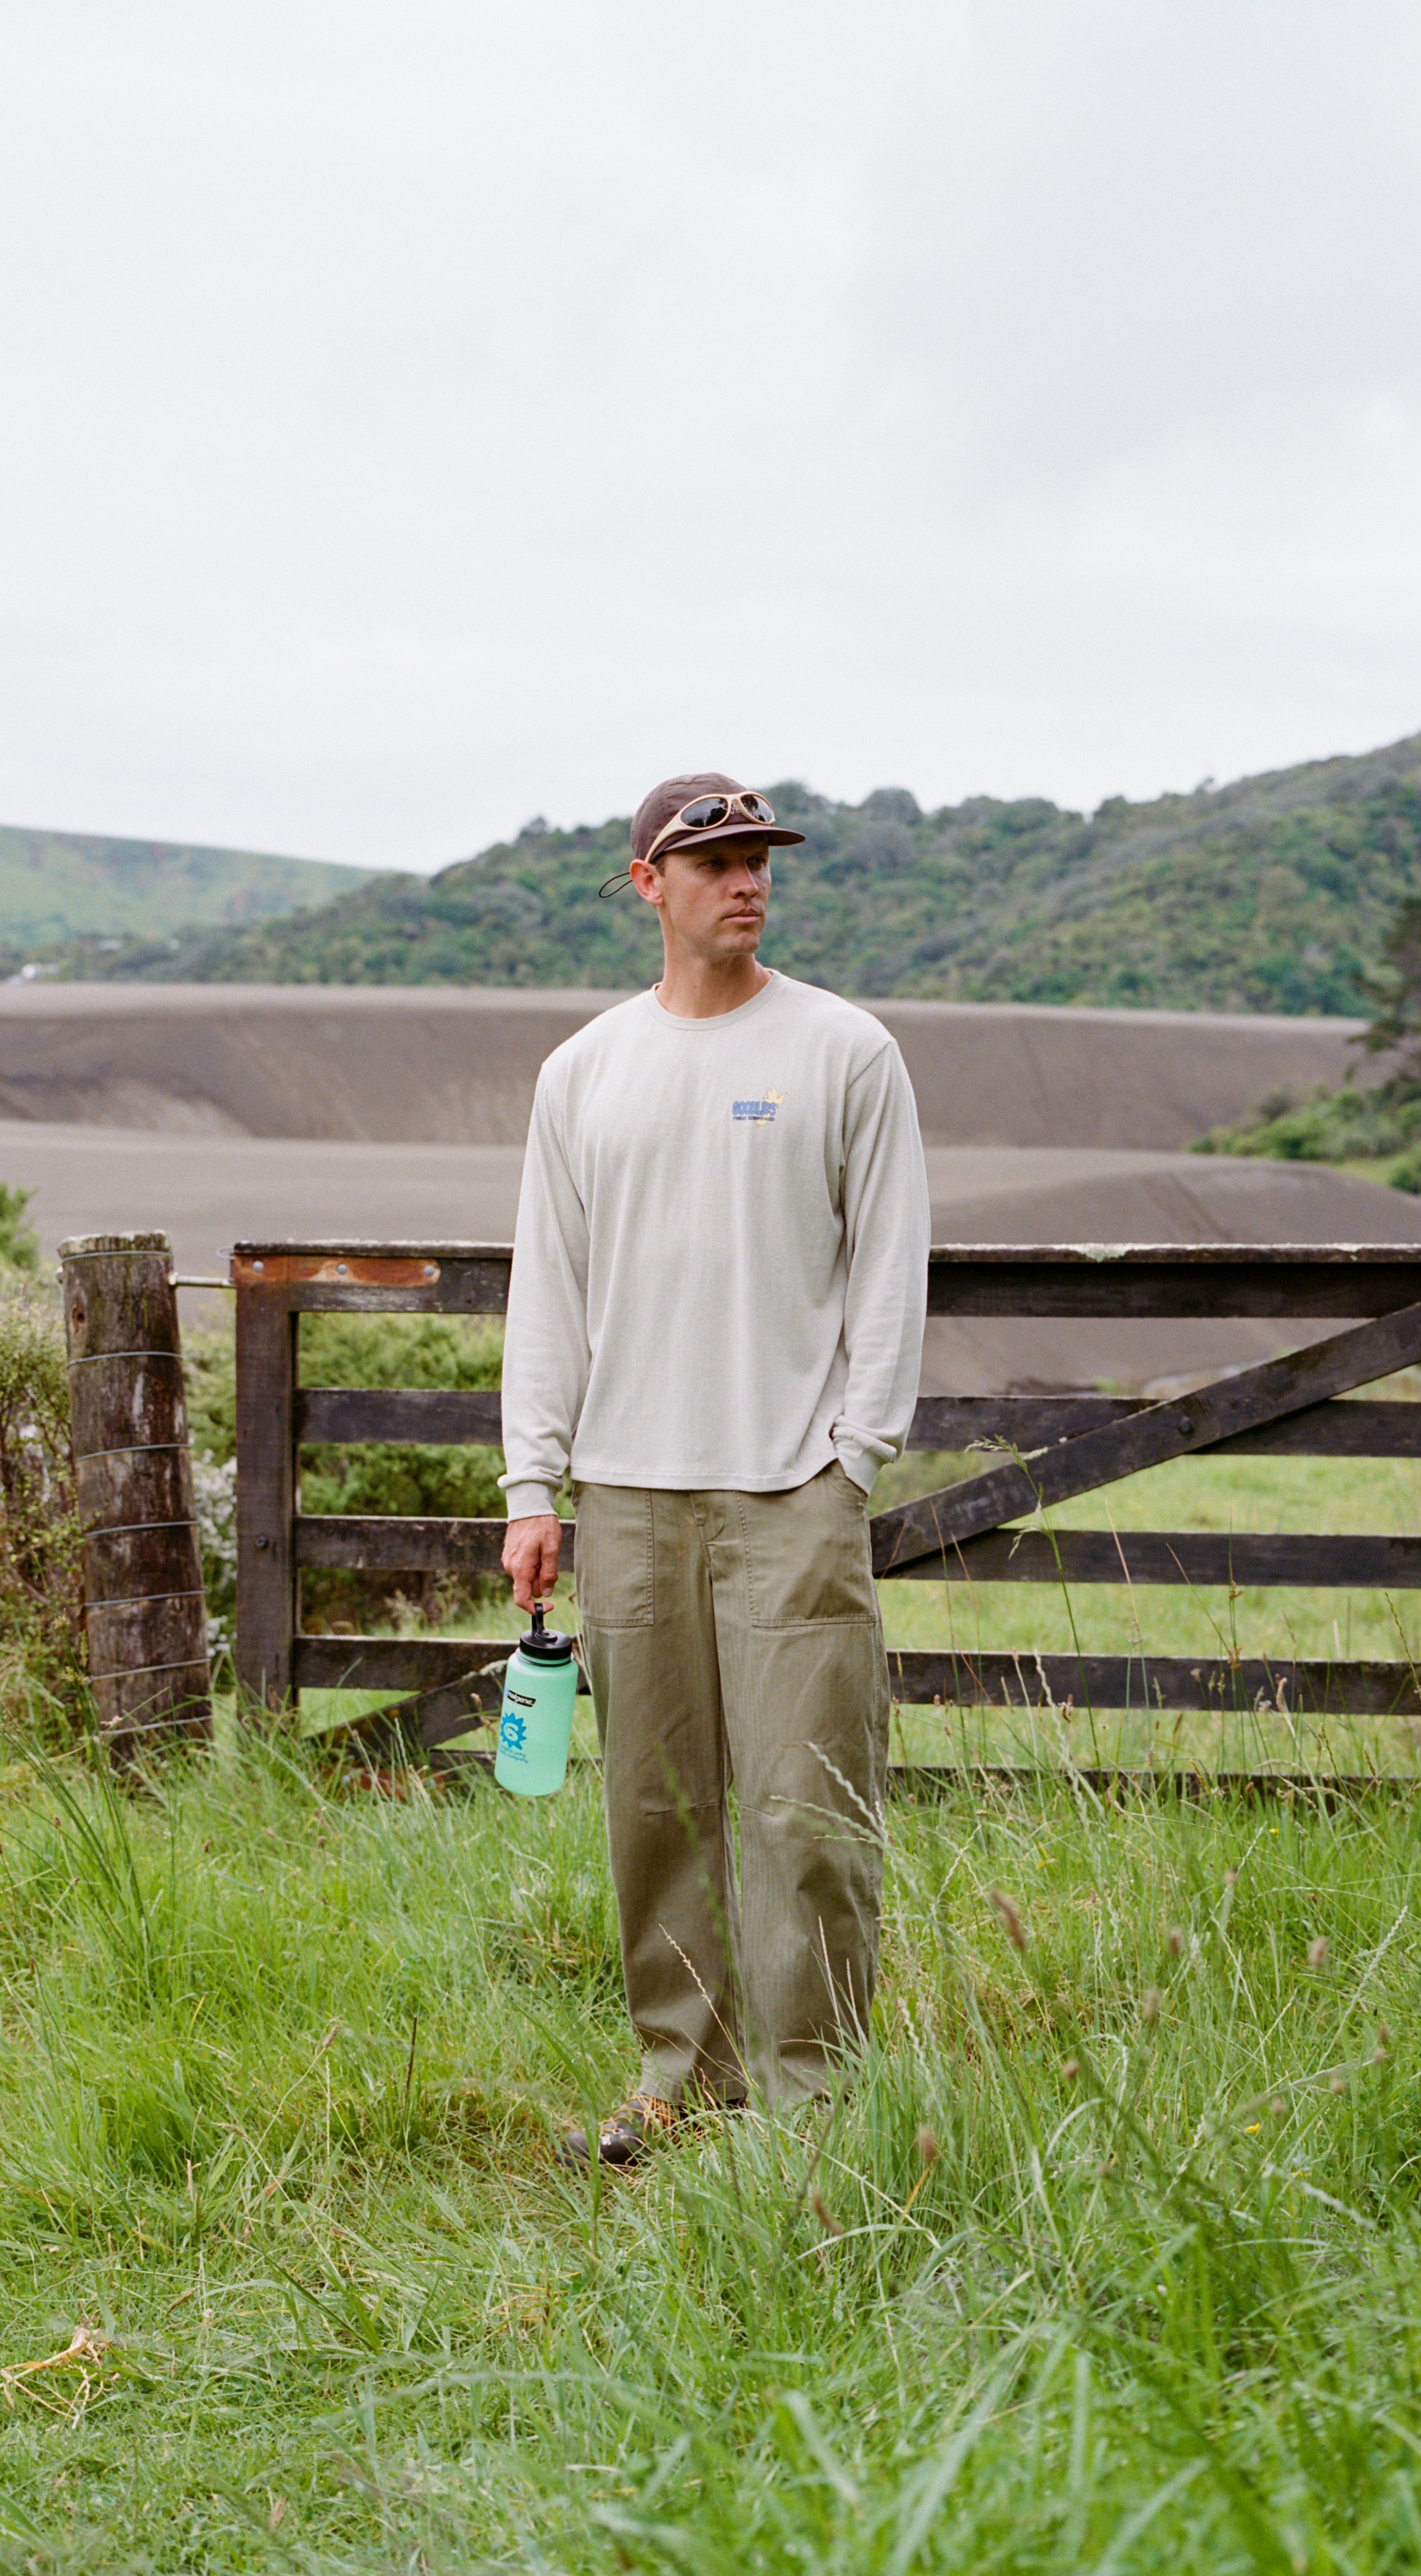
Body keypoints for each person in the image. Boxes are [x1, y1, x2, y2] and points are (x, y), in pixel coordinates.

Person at [499, 770, 930, 2166]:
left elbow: (891, 1264)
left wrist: (854, 1457)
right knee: (655, 1807)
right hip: (627, 1492)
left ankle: (814, 2100)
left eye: (759, 859)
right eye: (715, 861)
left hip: (794, 1486)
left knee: (809, 1805)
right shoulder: (584, 1072)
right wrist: (532, 1486)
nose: (746, 881)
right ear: (650, 883)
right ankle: (679, 2072)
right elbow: (548, 1289)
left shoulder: (844, 1049)